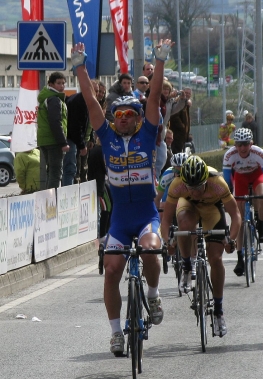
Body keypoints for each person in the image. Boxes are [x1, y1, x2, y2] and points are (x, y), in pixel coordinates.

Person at [71, 38, 174, 355]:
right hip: (118, 221)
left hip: (146, 217)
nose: (125, 117)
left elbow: (154, 96)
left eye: (131, 113)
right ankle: (116, 333)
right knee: (112, 270)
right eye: (119, 114)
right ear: (113, 119)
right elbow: (90, 103)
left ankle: (153, 294)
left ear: (139, 118)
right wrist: (79, 68)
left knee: (150, 251)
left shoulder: (146, 134)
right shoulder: (107, 137)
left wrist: (159, 61)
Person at [160, 156, 241, 337]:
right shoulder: (177, 184)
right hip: (187, 206)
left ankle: (218, 311)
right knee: (184, 223)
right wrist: (167, 242)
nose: (195, 191)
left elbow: (235, 215)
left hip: (212, 209)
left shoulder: (218, 182)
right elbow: (165, 221)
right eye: (190, 187)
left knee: (216, 259)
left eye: (198, 187)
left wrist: (231, 239)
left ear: (206, 181)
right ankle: (187, 266)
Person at [222, 128, 263, 276]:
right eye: (239, 144)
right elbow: (227, 183)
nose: (242, 148)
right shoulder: (229, 156)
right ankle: (240, 258)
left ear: (251, 144)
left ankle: (261, 225)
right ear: (235, 144)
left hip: (257, 176)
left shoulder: (260, 154)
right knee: (239, 218)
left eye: (245, 144)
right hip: (240, 179)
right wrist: (228, 200)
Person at [37, 71, 70, 189]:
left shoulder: (46, 98)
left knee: (51, 171)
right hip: (53, 141)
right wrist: (63, 142)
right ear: (51, 84)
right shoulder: (54, 99)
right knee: (56, 173)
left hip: (44, 140)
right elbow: (55, 122)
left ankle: (47, 200)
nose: (61, 86)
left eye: (63, 83)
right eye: (58, 83)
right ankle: (52, 203)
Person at [62, 80, 98, 186]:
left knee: (77, 169)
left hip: (78, 139)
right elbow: (76, 126)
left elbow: (88, 123)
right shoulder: (79, 101)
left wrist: (90, 138)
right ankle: (67, 193)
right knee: (70, 169)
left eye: (97, 91)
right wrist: (82, 145)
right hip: (71, 139)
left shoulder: (87, 100)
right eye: (93, 90)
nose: (95, 93)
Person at [169, 87, 192, 154]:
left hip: (182, 135)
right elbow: (174, 116)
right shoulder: (179, 102)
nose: (187, 94)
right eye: (186, 93)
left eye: (189, 93)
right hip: (177, 134)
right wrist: (182, 127)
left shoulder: (186, 104)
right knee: (177, 153)